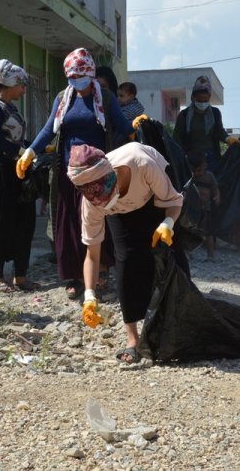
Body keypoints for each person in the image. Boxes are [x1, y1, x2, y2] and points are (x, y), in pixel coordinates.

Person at [17, 48, 135, 299]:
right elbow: (49, 129)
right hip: (69, 172)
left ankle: (100, 270)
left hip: (99, 172)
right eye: (71, 77)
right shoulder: (63, 98)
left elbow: (124, 128)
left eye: (80, 76)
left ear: (90, 73)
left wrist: (138, 127)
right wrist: (30, 151)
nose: (76, 81)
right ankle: (73, 276)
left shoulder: (105, 97)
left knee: (98, 221)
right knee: (69, 222)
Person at [66, 143, 185, 364]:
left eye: (107, 192)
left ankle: (177, 329)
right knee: (127, 260)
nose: (102, 199)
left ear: (110, 174)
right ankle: (133, 340)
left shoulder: (143, 164)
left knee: (171, 258)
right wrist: (89, 295)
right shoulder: (92, 203)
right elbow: (92, 254)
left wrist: (168, 222)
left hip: (153, 201)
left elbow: (174, 201)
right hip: (120, 216)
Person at [0, 59, 38, 292]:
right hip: (3, 171)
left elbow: (18, 137)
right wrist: (19, 151)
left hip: (19, 171)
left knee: (24, 221)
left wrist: (34, 148)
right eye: (21, 85)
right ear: (11, 83)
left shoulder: (13, 108)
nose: (23, 89)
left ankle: (21, 275)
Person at [172, 75, 237, 172]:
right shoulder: (184, 115)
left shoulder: (215, 113)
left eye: (205, 100)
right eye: (199, 100)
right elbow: (177, 138)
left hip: (211, 156)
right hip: (192, 158)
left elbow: (219, 132)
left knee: (211, 182)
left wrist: (228, 139)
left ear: (209, 98)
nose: (202, 103)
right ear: (194, 97)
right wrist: (182, 156)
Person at [187, 149, 220, 261]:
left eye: (199, 170)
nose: (197, 173)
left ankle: (210, 255)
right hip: (192, 210)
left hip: (205, 210)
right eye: (195, 171)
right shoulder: (189, 177)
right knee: (189, 231)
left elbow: (215, 189)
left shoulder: (209, 176)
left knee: (208, 233)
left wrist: (217, 196)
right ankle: (188, 252)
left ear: (205, 165)